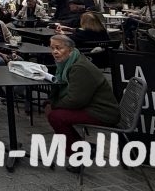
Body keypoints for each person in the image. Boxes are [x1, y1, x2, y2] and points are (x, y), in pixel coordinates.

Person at [46, 34, 120, 171]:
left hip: (103, 112)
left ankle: (78, 155)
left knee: (55, 116)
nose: (54, 52)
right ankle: (83, 148)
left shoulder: (79, 68)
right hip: (91, 106)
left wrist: (54, 104)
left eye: (59, 48)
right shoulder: (70, 63)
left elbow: (76, 100)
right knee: (54, 113)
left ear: (70, 49)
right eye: (52, 48)